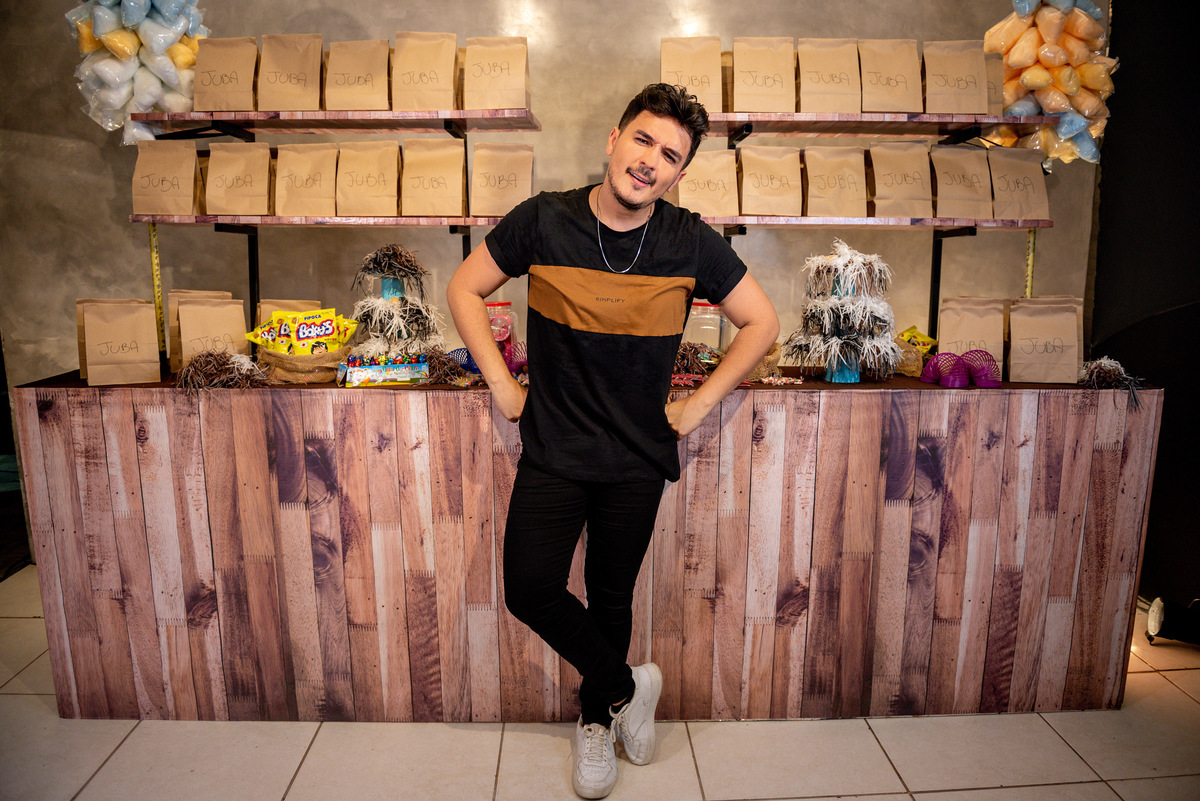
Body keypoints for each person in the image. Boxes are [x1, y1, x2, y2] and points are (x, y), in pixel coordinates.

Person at [446, 83, 779, 799]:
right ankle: (629, 687)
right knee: (530, 588)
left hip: (636, 457)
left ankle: (596, 718)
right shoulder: (545, 219)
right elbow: (465, 288)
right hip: (555, 447)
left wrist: (698, 406)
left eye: (670, 155)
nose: (650, 161)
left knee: (610, 596)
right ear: (614, 139)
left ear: (679, 173)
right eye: (643, 140)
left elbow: (762, 322)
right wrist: (502, 384)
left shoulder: (689, 240)